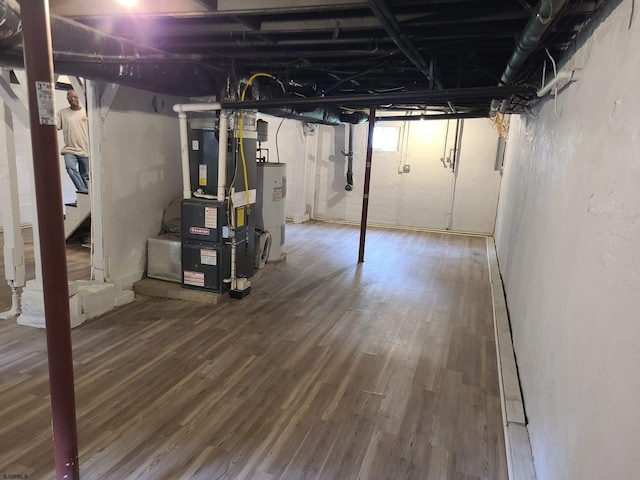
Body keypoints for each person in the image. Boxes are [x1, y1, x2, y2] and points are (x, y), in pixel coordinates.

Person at [57, 89, 90, 194]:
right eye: (70, 98)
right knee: (70, 168)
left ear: (79, 97)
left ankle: (88, 198)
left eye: (75, 97)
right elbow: (55, 126)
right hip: (69, 149)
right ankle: (83, 192)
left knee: (86, 176)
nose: (73, 100)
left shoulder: (86, 112)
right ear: (67, 99)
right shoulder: (62, 113)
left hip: (85, 149)